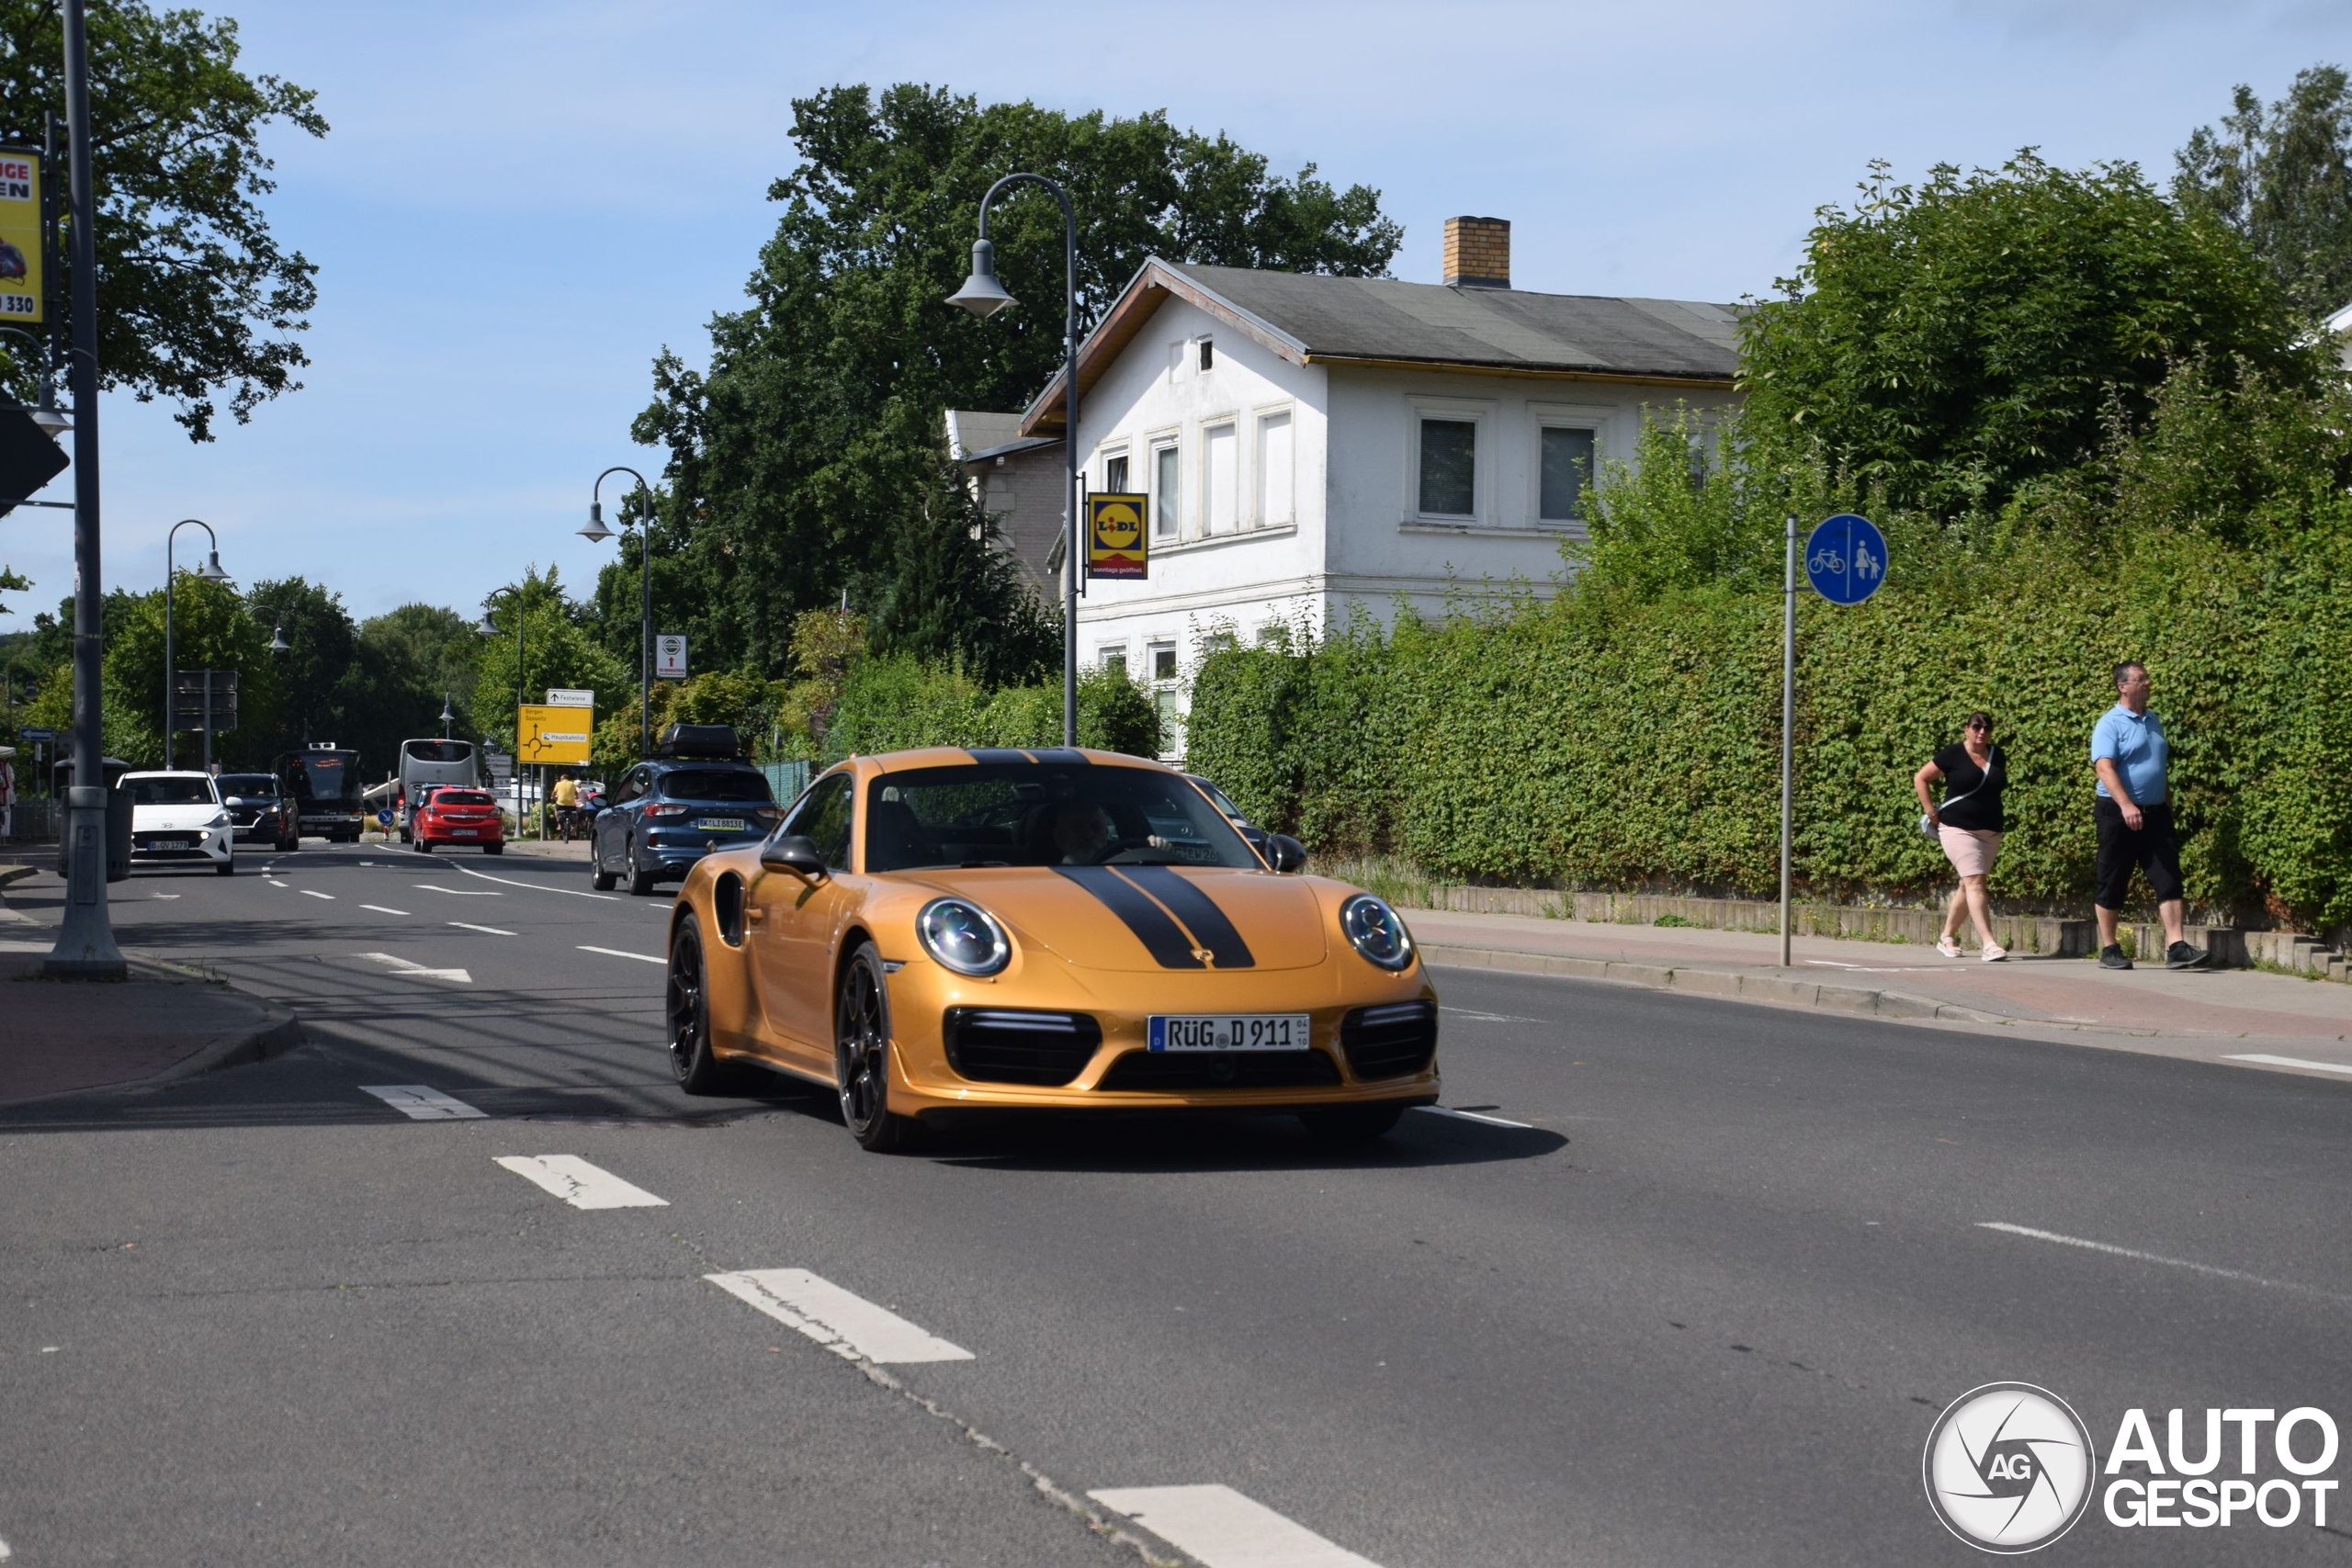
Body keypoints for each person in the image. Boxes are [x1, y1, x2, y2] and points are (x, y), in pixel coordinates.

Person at [2091, 661, 2207, 971]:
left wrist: (2165, 800)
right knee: (2113, 879)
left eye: (2147, 678)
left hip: (2156, 813)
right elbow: (2104, 767)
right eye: (2140, 679)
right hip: (2117, 812)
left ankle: (2176, 947)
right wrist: (2127, 805)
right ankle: (2110, 948)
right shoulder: (2110, 723)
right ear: (2123, 686)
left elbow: (2157, 765)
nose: (2148, 683)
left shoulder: (2153, 719)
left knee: (2168, 877)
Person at [1915, 712, 2007, 961]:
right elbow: (1921, 778)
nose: (1982, 732)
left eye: (1987, 728)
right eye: (1976, 727)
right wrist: (1930, 811)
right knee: (1976, 882)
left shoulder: (1998, 755)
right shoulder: (1953, 754)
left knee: (1967, 885)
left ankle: (1946, 937)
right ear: (1966, 729)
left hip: (1990, 830)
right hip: (1957, 828)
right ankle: (1989, 944)